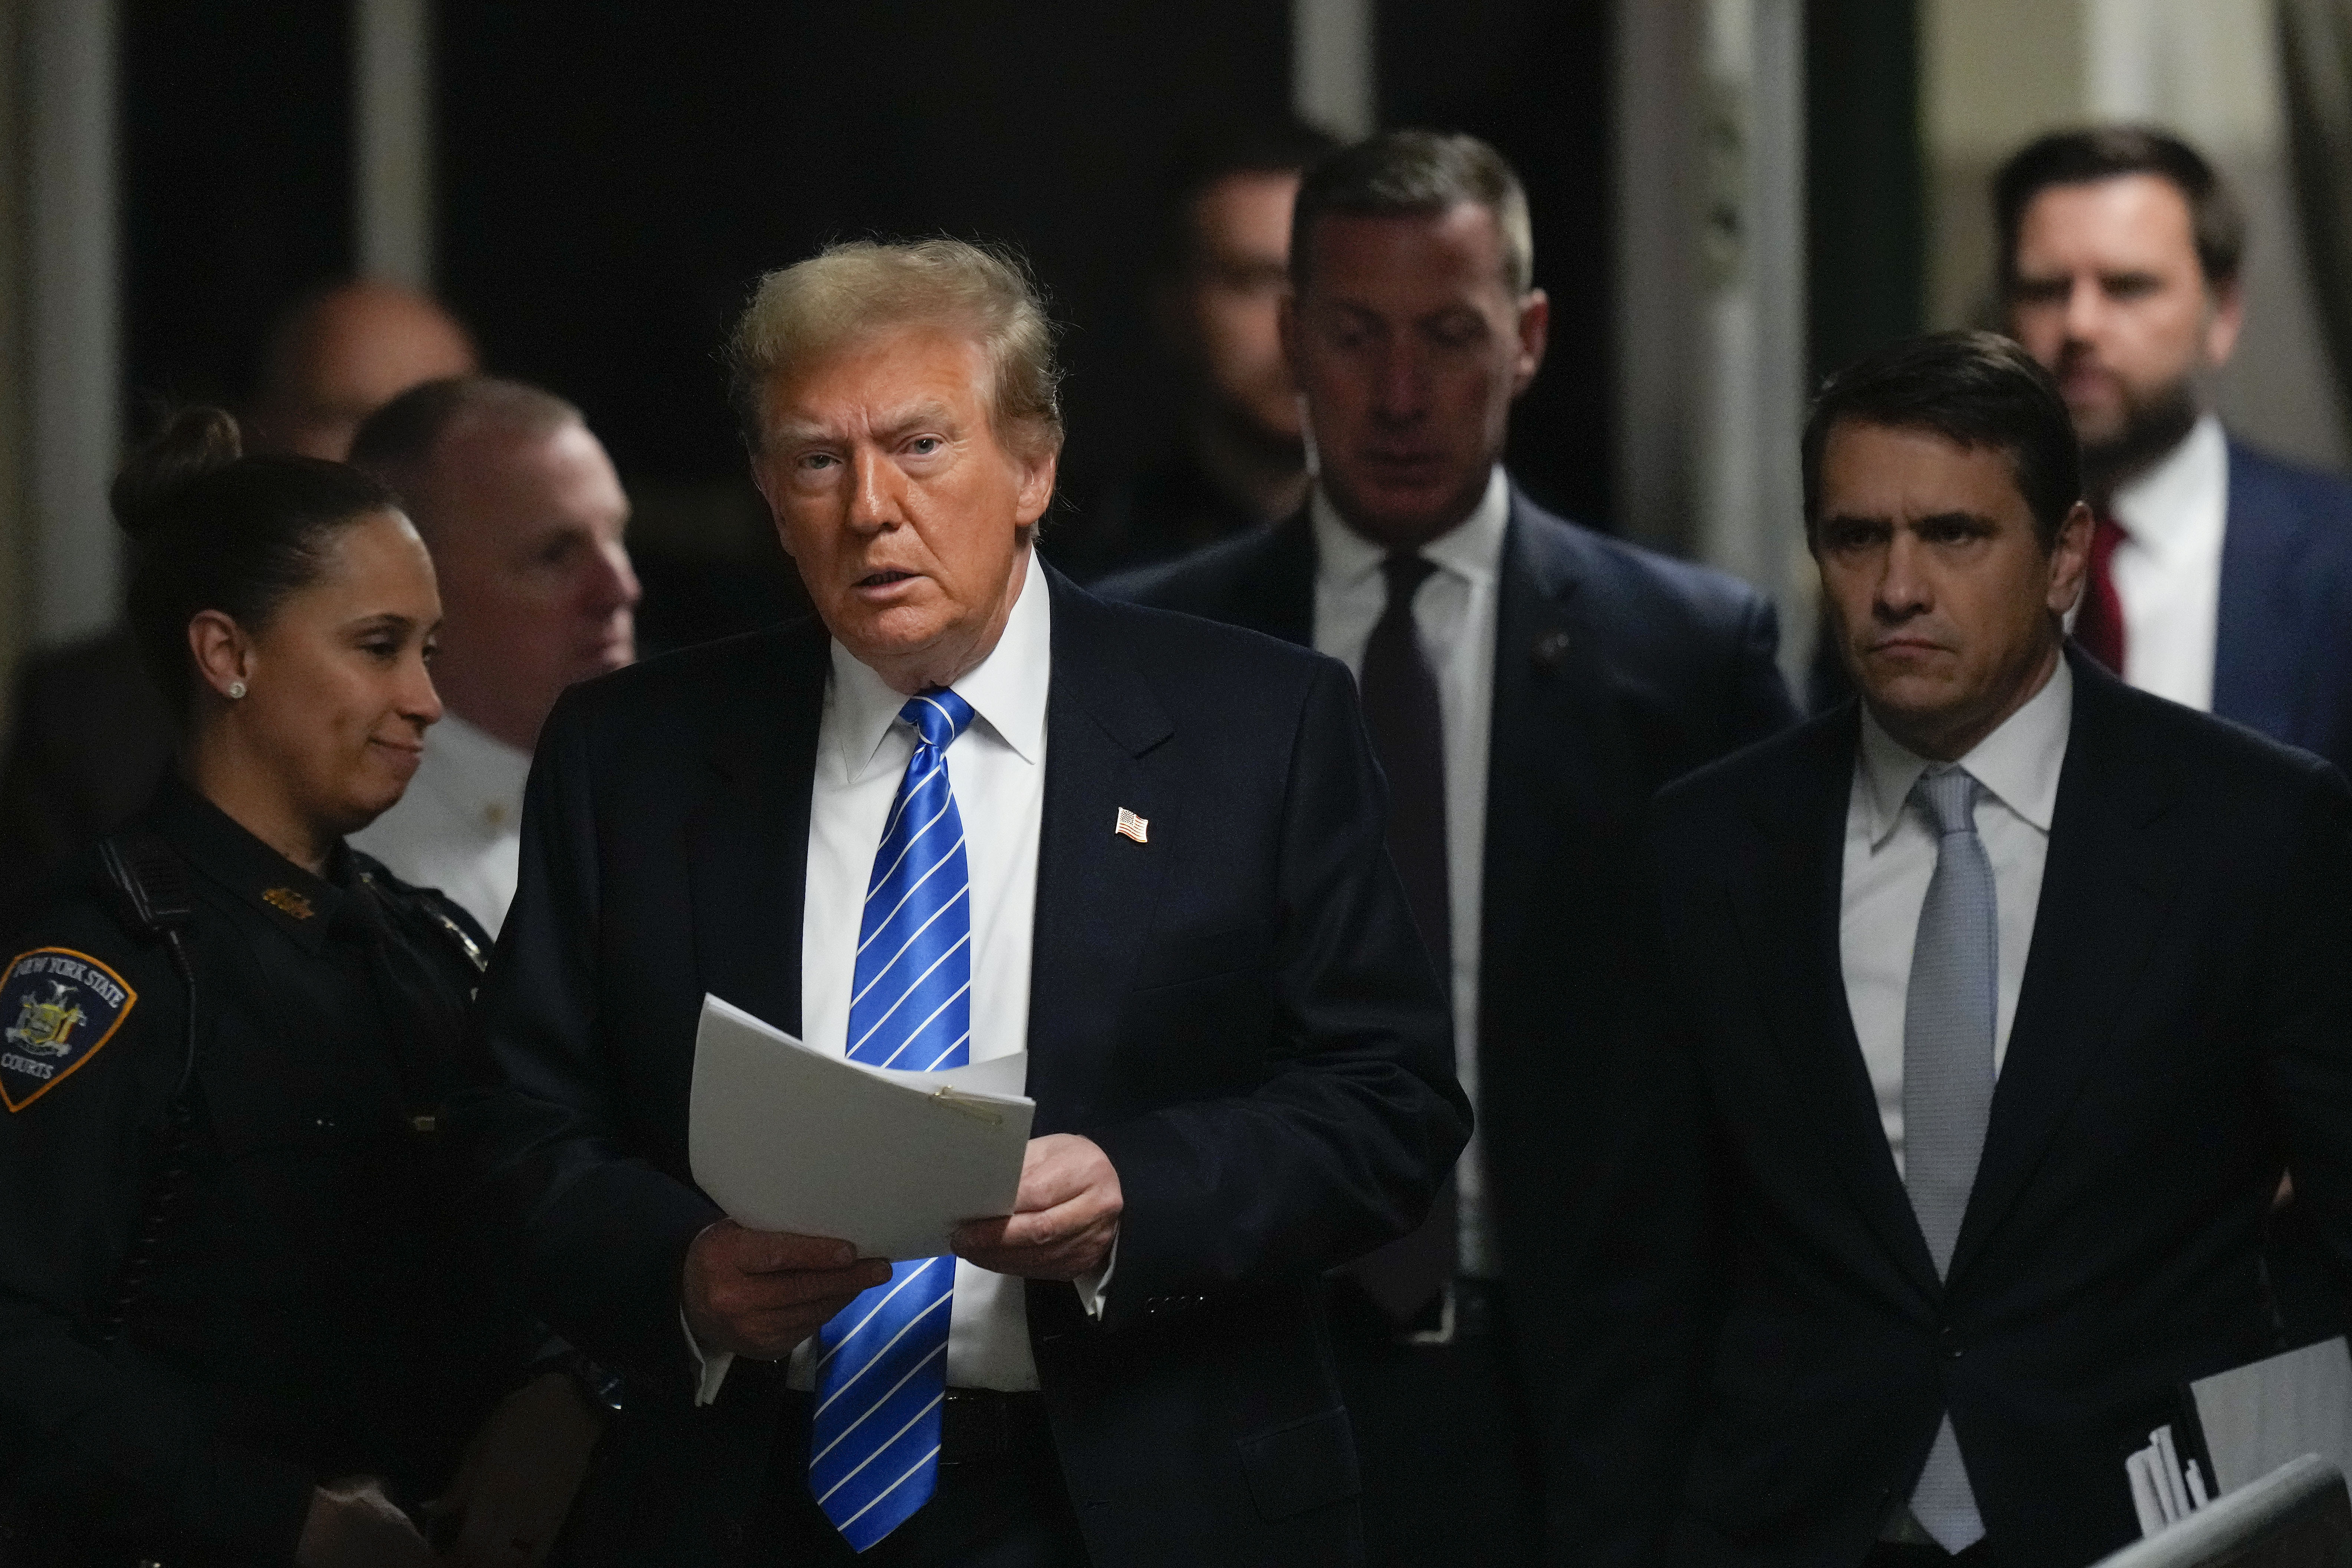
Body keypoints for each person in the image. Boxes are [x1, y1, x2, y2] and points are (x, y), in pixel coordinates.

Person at [443, 237, 1468, 1567]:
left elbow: (1391, 1105)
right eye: (817, 459)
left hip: (1130, 1493)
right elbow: (512, 1127)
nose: (869, 506)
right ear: (766, 490)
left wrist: (1131, 1194)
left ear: (1033, 465)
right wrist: (679, 1273)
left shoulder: (1255, 731)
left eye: (919, 446)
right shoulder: (631, 758)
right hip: (746, 1495)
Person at [1100, 129, 1797, 1564]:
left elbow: (1775, 1069)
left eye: (1450, 336)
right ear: (1291, 338)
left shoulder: (1684, 658)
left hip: (1584, 1409)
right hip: (1247, 1379)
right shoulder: (1152, 654)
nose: (1402, 395)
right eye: (1354, 336)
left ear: (1528, 338)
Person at [1577, 331, 2352, 1568]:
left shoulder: (2250, 830)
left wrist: (2277, 1458)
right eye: (1853, 537)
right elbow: (1639, 1270)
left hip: (2153, 1524)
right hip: (1795, 1522)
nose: (1896, 587)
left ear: (2063, 555)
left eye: (1953, 533)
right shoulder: (1711, 844)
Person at [0, 408, 602, 1566]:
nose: (427, 697)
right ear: (226, 655)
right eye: (379, 645)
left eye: (429, 648)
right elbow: (17, 1341)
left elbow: (513, 1245)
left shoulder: (426, 945)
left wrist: (561, 1390)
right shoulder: (106, 962)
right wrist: (279, 1520)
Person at [0, 280, 480, 913]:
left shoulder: (558, 688)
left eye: (418, 434)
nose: (385, 463)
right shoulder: (97, 720)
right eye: (347, 417)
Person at [1997, 126, 2352, 775]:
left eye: (2128, 287)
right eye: (2047, 290)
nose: (2080, 324)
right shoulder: (1926, 554)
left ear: (2222, 316)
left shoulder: (2335, 558)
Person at [346, 377, 640, 936]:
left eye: (617, 535)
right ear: (412, 594)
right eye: (556, 555)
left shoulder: (666, 792)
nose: (620, 589)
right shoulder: (366, 870)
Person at [1051, 116, 1338, 580]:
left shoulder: (1448, 556)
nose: (1297, 325)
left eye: (1328, 282)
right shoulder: (1078, 573)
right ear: (1175, 307)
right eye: (1253, 282)